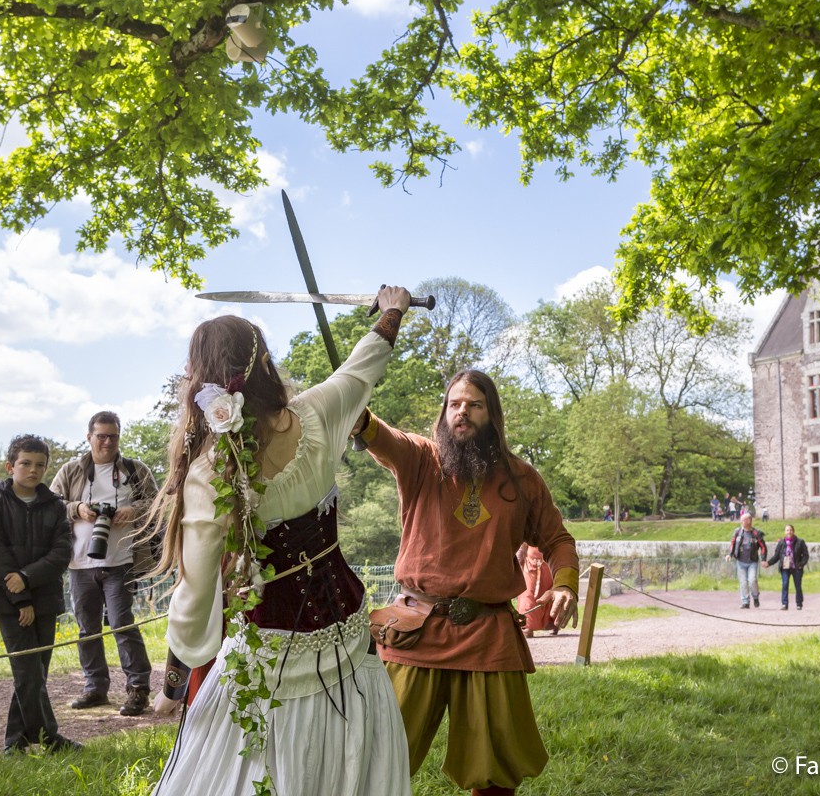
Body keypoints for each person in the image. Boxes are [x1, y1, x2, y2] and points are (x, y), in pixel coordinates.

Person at [148, 287, 414, 795]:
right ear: (264, 362)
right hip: (349, 639)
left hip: (269, 654)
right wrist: (392, 311)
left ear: (202, 382)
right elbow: (362, 366)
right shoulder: (315, 413)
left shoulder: (211, 472)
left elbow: (196, 592)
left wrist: (174, 682)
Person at [354, 368, 580, 796]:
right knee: (376, 753)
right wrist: (357, 415)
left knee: (495, 769)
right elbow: (380, 435)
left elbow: (557, 539)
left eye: (475, 405)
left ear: (492, 415)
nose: (463, 412)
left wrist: (565, 583)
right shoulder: (420, 460)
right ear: (443, 413)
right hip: (415, 630)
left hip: (488, 635)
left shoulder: (522, 478)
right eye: (455, 404)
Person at [0, 434, 81, 754]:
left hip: (45, 598)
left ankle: (16, 741)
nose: (33, 470)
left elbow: (62, 552)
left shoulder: (55, 506)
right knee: (27, 672)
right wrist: (20, 597)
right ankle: (48, 737)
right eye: (25, 463)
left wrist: (27, 577)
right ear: (10, 466)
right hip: (8, 601)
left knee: (36, 673)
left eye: (40, 465)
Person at [50, 411, 157, 716]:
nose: (107, 442)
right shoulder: (72, 470)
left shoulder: (135, 470)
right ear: (89, 437)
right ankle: (95, 688)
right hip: (79, 562)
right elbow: (50, 504)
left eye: (113, 436)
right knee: (87, 629)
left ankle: (138, 688)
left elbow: (158, 501)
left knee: (122, 623)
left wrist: (133, 510)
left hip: (121, 561)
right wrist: (78, 507)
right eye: (101, 436)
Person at [725, 513, 767, 609]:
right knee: (743, 582)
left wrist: (763, 559)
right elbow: (733, 543)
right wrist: (730, 554)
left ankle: (755, 597)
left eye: (743, 520)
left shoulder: (756, 533)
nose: (741, 522)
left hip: (752, 561)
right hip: (740, 561)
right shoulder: (737, 531)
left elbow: (763, 547)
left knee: (752, 580)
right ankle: (745, 602)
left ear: (749, 521)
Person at [763, 524, 809, 610]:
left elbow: (806, 555)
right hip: (785, 567)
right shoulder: (781, 543)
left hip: (796, 567)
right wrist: (768, 563)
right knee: (785, 584)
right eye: (787, 530)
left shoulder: (800, 542)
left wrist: (801, 564)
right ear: (785, 532)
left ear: (793, 531)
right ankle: (784, 604)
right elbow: (776, 556)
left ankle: (799, 604)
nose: (789, 532)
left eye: (790, 530)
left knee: (798, 586)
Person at [516, 544, 557, 638]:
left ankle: (552, 622)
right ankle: (527, 626)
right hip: (531, 563)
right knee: (528, 593)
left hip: (548, 562)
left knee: (549, 592)